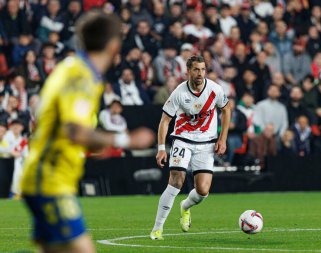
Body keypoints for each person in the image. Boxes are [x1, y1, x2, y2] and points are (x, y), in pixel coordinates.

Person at [20, 11, 154, 253]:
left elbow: (63, 127)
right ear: (114, 45)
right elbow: (74, 130)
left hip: (50, 175)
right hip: (50, 180)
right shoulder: (81, 76)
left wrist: (94, 142)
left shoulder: (73, 70)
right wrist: (125, 139)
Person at [150, 55, 231, 240]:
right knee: (176, 181)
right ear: (188, 71)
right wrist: (161, 148)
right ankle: (157, 228)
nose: (200, 73)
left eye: (203, 69)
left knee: (203, 190)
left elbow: (227, 109)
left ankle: (185, 206)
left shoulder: (214, 89)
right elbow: (165, 121)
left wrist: (222, 139)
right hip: (182, 139)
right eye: (196, 69)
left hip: (206, 143)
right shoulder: (179, 92)